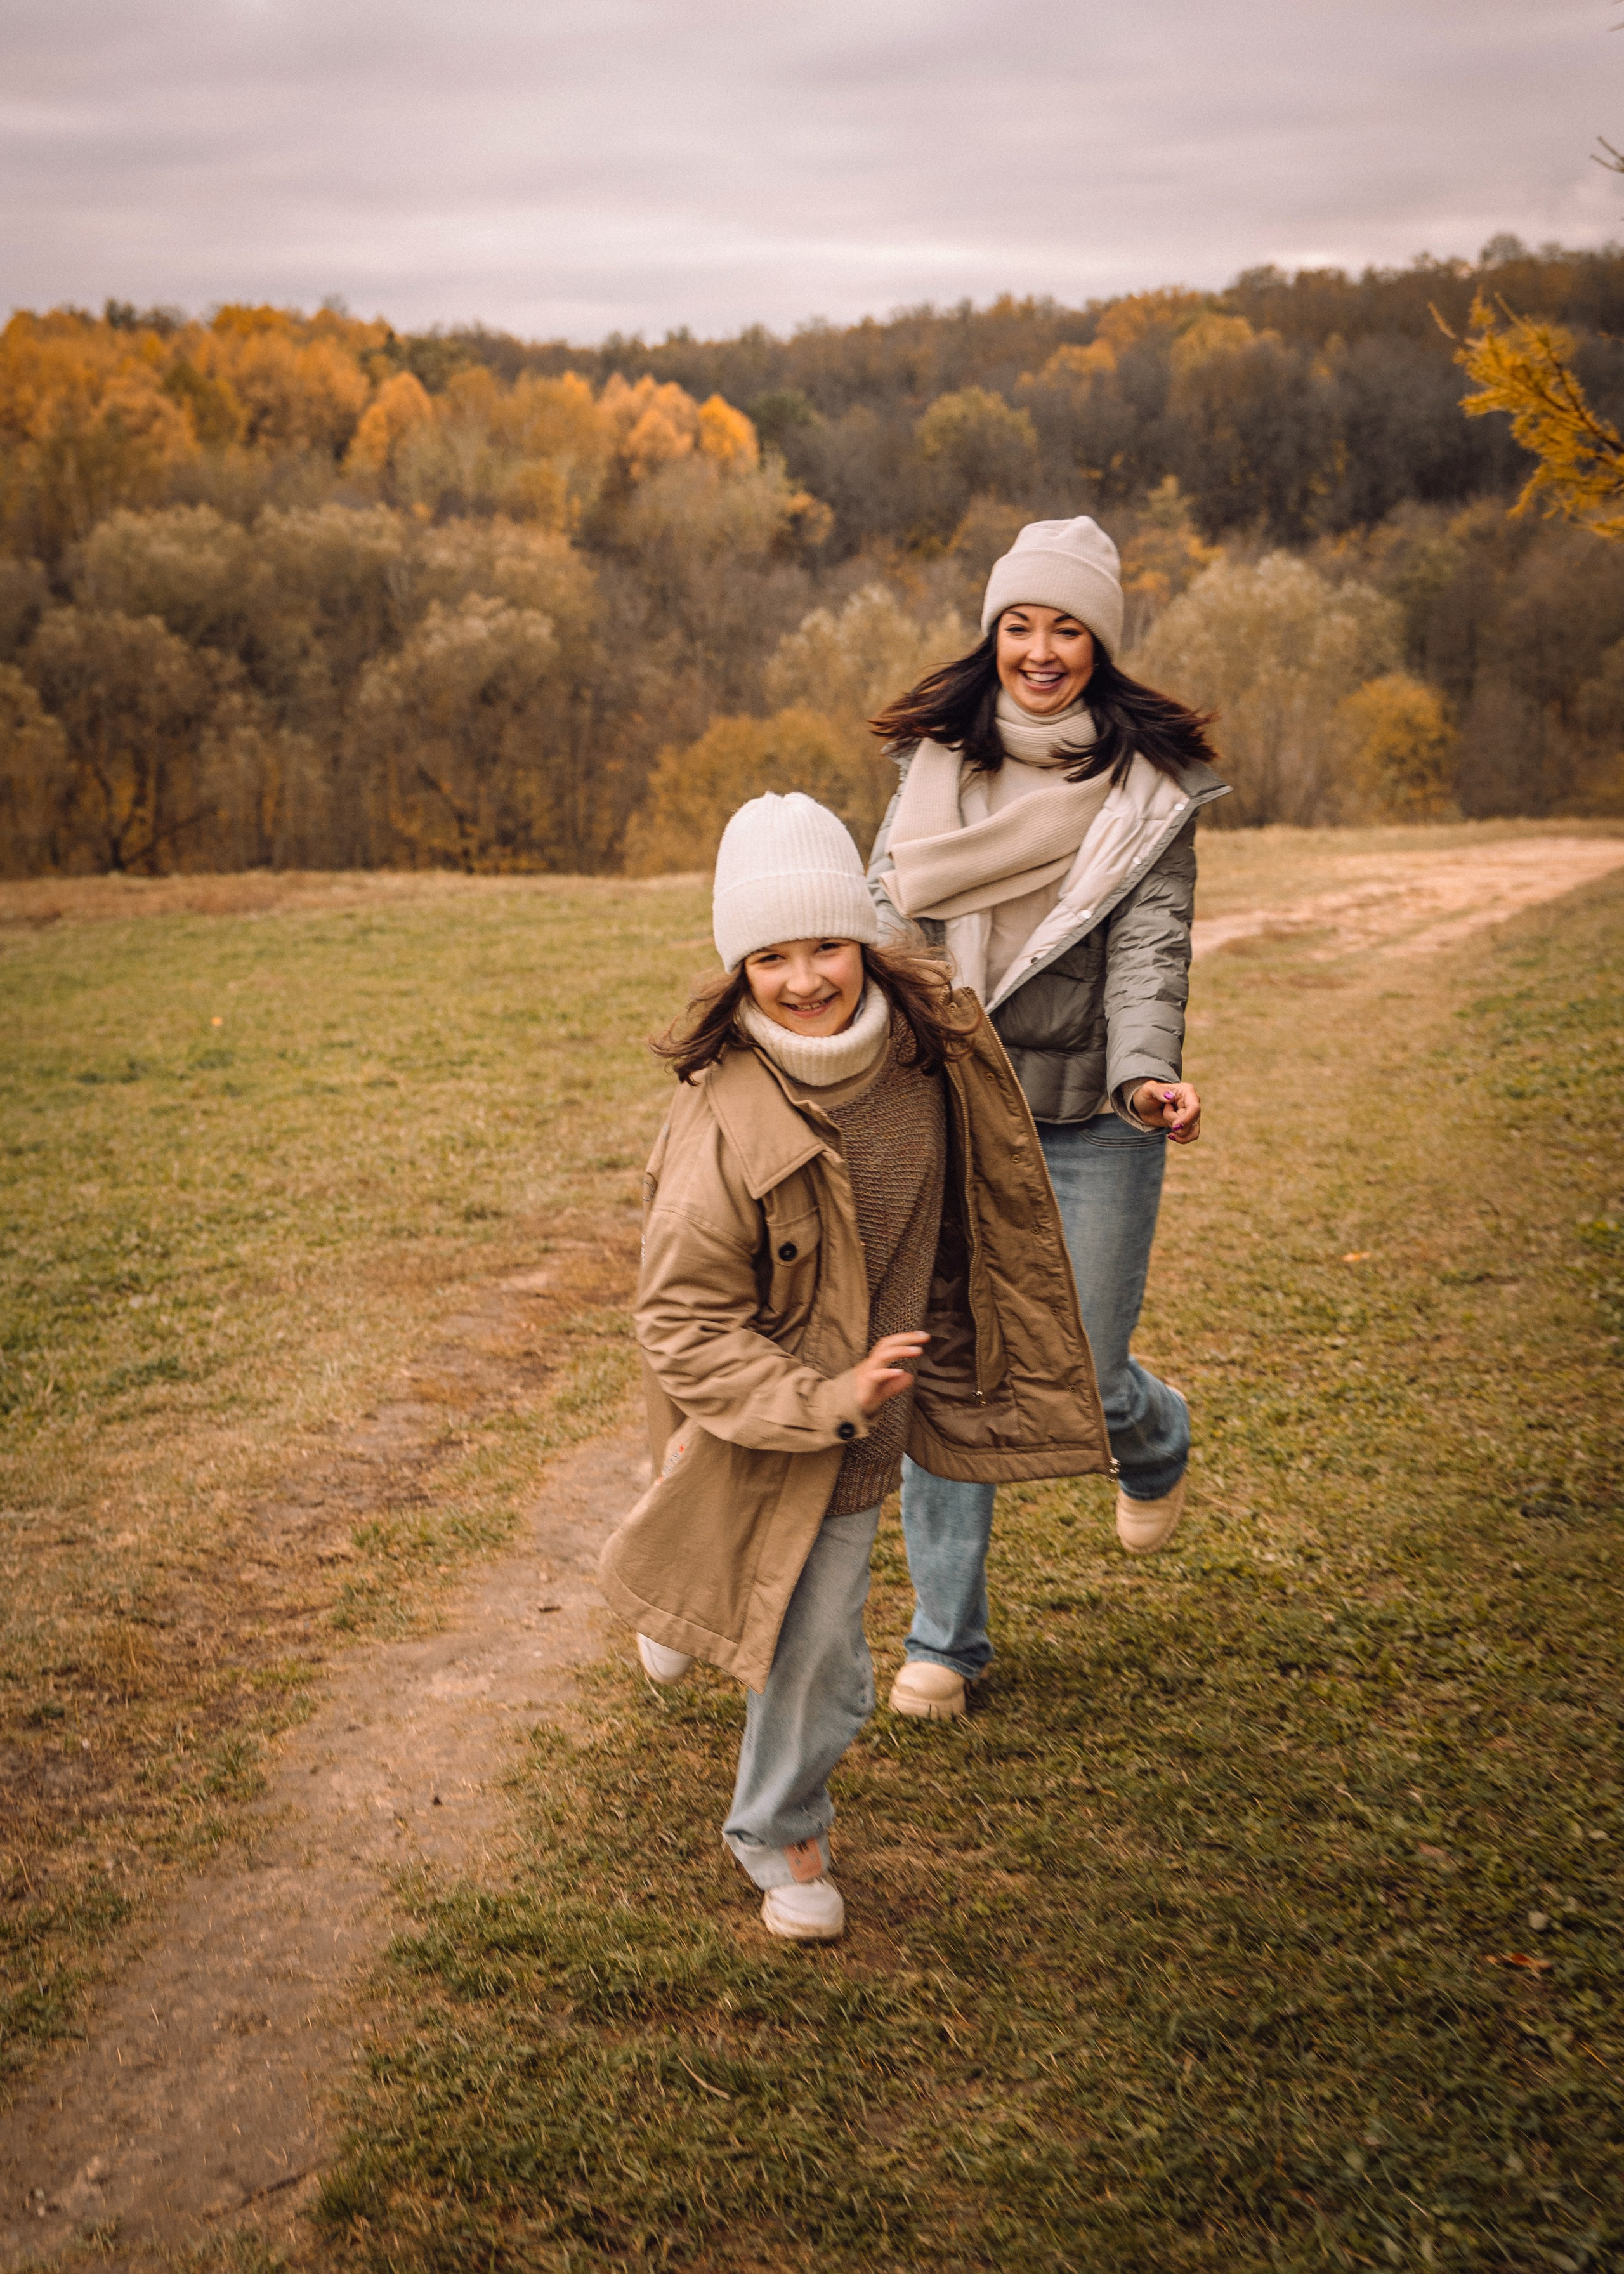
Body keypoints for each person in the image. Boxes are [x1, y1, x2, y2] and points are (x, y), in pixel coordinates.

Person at [598, 792, 1112, 1942]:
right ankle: (683, 1604)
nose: (804, 978)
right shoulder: (721, 1124)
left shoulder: (935, 1052)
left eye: (824, 944)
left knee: (824, 1650)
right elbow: (683, 1326)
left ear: (864, 939)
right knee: (729, 1548)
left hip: (866, 1424)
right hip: (748, 1409)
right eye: (768, 957)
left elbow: (986, 1210)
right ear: (738, 971)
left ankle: (779, 1825)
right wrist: (823, 1396)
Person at [866, 515, 1229, 1723]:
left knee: (1082, 1362)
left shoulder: (1147, 795)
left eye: (1065, 626)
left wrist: (1145, 1079)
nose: (1039, 648)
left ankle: (1154, 1432)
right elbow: (882, 926)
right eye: (1020, 623)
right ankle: (944, 1643)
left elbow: (1149, 953)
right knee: (951, 1363)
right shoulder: (934, 770)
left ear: (1099, 646)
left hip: (1090, 1114)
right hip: (956, 1105)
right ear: (993, 636)